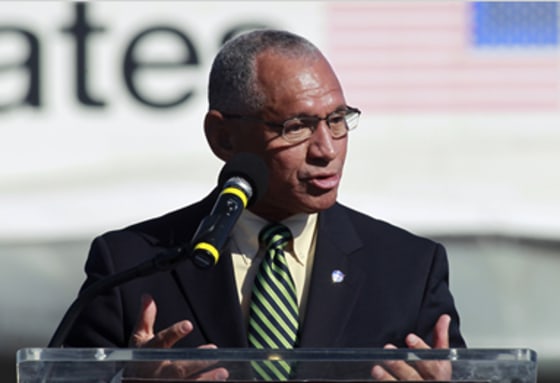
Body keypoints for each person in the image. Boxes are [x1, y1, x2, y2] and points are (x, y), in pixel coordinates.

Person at [56, 29, 465, 381]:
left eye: (338, 119)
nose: (326, 149)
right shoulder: (132, 266)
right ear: (223, 138)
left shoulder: (408, 268)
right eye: (297, 127)